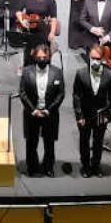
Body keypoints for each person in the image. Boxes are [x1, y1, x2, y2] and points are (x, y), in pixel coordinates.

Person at [19, 44, 65, 177]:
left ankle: (48, 167)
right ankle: (32, 167)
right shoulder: (27, 71)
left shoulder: (57, 72)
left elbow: (61, 94)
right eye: (39, 57)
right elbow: (22, 93)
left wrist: (49, 110)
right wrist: (33, 110)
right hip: (32, 113)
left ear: (49, 57)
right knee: (31, 142)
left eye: (44, 57)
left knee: (49, 143)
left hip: (50, 113)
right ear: (34, 58)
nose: (42, 59)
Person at [73, 44, 111, 178]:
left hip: (101, 115)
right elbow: (76, 96)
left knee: (98, 143)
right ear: (88, 58)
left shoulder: (109, 75)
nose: (95, 61)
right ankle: (85, 167)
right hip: (85, 114)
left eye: (98, 59)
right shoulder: (80, 73)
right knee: (84, 141)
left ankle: (96, 166)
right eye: (93, 58)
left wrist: (108, 115)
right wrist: (79, 116)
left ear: (102, 59)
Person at [16, 0, 59, 66]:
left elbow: (54, 18)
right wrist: (22, 21)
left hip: (43, 31)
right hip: (29, 31)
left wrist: (52, 32)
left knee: (43, 54)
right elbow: (18, 11)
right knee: (29, 56)